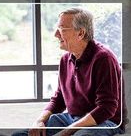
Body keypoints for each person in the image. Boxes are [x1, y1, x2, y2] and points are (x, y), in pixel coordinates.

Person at [12, 8, 127, 136]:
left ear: (81, 33)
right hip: (71, 119)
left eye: (62, 29)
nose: (56, 34)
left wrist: (68, 131)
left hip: (104, 122)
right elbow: (59, 99)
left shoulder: (104, 59)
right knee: (20, 135)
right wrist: (39, 121)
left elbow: (107, 108)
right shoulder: (65, 59)